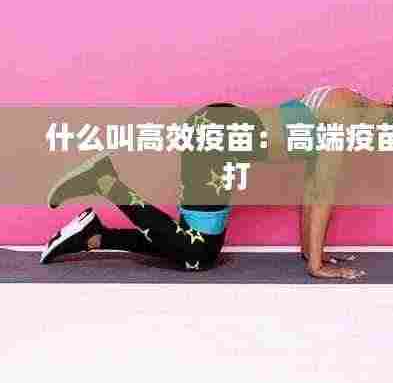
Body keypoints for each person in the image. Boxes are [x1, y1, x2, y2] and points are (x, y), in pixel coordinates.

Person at [40, 103, 268, 271]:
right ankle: (104, 182)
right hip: (223, 126)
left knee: (200, 249)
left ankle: (97, 236)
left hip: (222, 123)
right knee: (197, 254)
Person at [256, 84, 393, 280]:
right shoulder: (346, 113)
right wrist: (317, 267)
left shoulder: (356, 108)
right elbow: (323, 190)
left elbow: (312, 186)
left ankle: (311, 254)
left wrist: (312, 253)